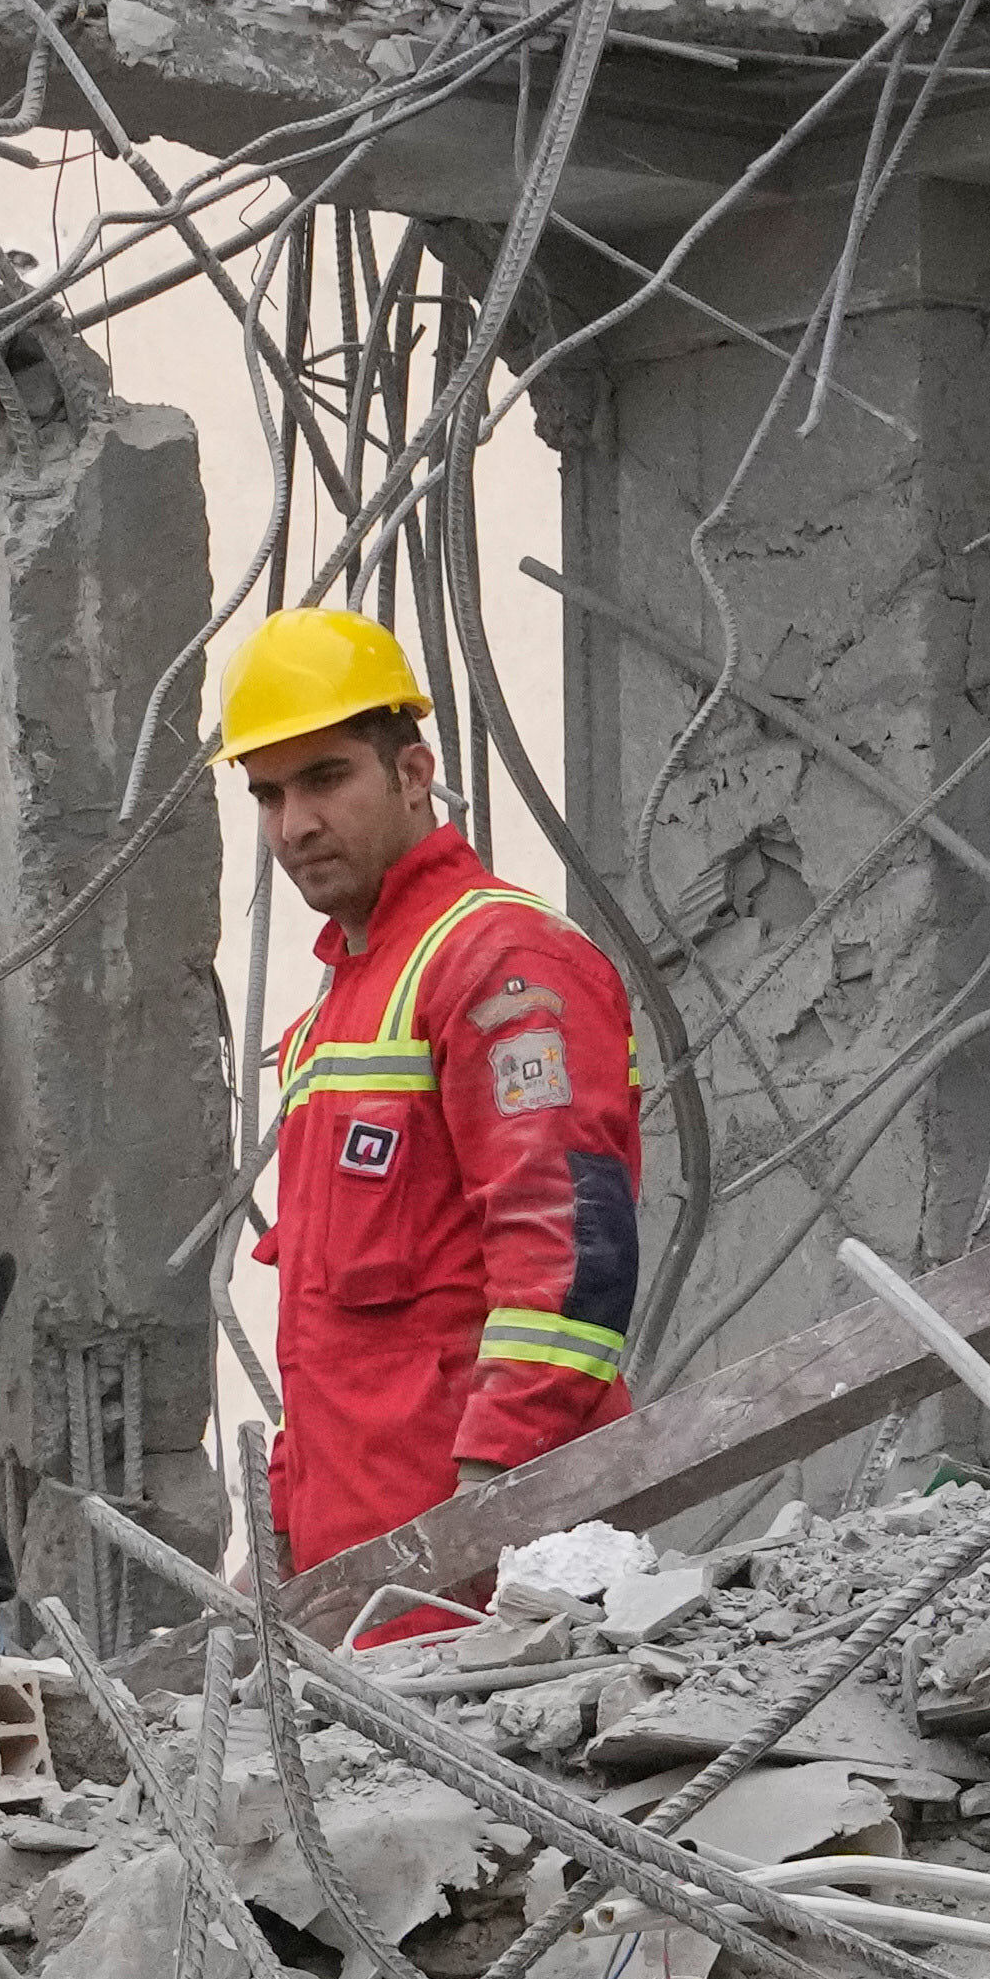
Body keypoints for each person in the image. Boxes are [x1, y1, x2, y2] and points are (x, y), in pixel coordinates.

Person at [220, 607, 641, 1593]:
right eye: (269, 793)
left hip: (479, 1576)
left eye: (326, 777)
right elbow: (332, 1334)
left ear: (413, 773)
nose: (295, 824)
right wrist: (281, 1540)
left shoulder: (501, 959)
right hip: (365, 1577)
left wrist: (485, 1511)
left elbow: (567, 1254)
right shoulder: (339, 1006)